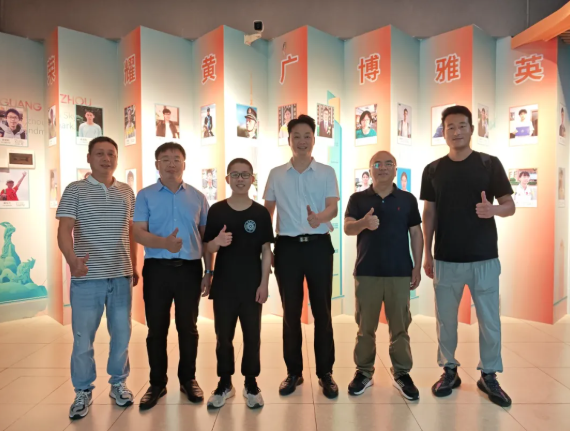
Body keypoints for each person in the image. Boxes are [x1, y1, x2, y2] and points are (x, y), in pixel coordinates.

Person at [421, 105, 516, 407]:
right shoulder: (433, 170)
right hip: (446, 259)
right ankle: (449, 370)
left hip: (484, 258)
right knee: (445, 321)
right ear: (443, 132)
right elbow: (429, 213)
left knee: (489, 321)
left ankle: (489, 374)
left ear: (471, 129)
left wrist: (493, 209)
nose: (456, 131)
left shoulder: (489, 164)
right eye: (450, 127)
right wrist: (427, 254)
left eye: (462, 126)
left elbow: (510, 205)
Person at [56, 136, 138, 420]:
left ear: (117, 158)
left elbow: (131, 232)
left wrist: (134, 265)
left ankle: (118, 384)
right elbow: (64, 230)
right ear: (89, 158)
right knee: (83, 339)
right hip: (87, 277)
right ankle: (82, 390)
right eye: (100, 153)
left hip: (121, 276)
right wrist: (72, 261)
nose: (106, 159)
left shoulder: (127, 191)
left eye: (111, 154)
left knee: (122, 334)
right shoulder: (75, 190)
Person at [264, 114, 340, 399]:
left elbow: (333, 208)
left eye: (307, 135)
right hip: (287, 248)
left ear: (314, 139)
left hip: (319, 246)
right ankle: (293, 372)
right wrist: (266, 248)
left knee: (322, 312)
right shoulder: (276, 174)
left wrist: (319, 217)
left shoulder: (326, 172)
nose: (302, 141)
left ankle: (325, 373)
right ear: (289, 140)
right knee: (291, 313)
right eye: (296, 136)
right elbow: (267, 213)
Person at [133, 142, 212, 410]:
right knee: (156, 329)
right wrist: (164, 243)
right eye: (165, 159)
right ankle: (157, 383)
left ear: (184, 164)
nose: (171, 164)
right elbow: (138, 233)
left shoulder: (198, 197)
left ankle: (188, 379)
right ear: (157, 164)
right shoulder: (145, 195)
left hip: (190, 270)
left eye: (176, 159)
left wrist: (209, 271)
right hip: (157, 269)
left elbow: (206, 239)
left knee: (188, 328)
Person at [344, 151, 423, 400]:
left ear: (395, 169)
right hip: (367, 272)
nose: (383, 168)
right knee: (365, 327)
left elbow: (416, 233)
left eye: (389, 163)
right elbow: (347, 228)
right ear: (370, 170)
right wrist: (363, 224)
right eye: (377, 164)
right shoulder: (358, 198)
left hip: (399, 273)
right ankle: (364, 372)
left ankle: (402, 373)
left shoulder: (407, 199)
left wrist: (417, 267)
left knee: (400, 327)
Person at [203, 158, 274, 409]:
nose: (240, 179)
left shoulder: (260, 213)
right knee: (223, 337)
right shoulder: (217, 210)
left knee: (252, 336)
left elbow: (266, 251)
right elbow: (207, 247)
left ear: (252, 179)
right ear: (227, 179)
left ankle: (251, 383)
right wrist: (216, 243)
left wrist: (264, 284)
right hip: (224, 285)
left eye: (245, 175)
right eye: (235, 174)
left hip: (252, 285)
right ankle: (225, 383)